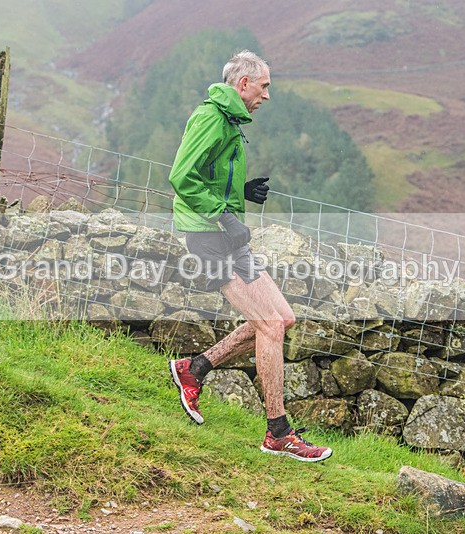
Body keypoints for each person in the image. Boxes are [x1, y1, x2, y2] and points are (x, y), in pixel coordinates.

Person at [167, 50, 332, 462]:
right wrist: (224, 213)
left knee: (282, 317)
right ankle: (278, 432)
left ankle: (196, 368)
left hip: (226, 235)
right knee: (271, 325)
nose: (267, 95)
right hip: (207, 236)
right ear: (243, 84)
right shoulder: (211, 117)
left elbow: (207, 173)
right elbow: (181, 175)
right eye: (264, 86)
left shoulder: (230, 120)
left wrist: (238, 193)